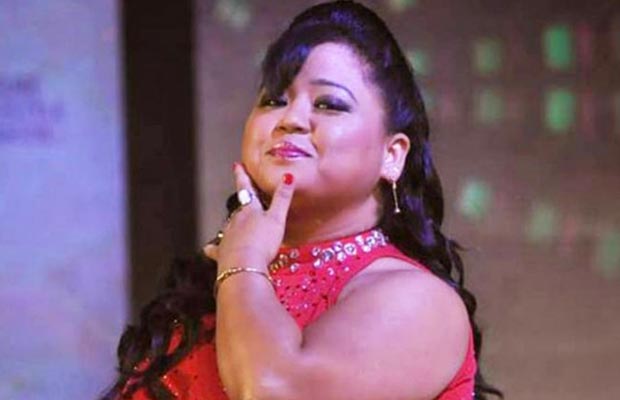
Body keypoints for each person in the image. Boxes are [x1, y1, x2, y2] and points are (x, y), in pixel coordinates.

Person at [103, 1, 503, 399]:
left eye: (328, 104)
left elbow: (275, 392)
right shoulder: (212, 288)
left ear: (392, 155)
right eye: (274, 100)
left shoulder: (419, 301)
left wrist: (243, 261)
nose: (290, 119)